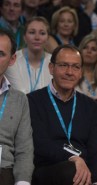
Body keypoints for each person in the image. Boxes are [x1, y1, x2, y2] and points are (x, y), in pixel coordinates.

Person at [28, 44, 97, 185]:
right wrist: (74, 158)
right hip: (47, 170)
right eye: (63, 65)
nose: (69, 72)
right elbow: (39, 145)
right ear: (51, 68)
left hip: (82, 171)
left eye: (75, 67)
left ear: (81, 72)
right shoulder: (32, 101)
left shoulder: (90, 105)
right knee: (71, 171)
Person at [0, 28, 34, 185]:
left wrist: (23, 182)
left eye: (1, 54)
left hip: (3, 170)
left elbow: (24, 150)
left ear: (12, 59)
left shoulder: (19, 100)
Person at [5, 17, 52, 94]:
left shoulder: (55, 61)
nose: (37, 37)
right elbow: (20, 94)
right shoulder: (12, 60)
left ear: (47, 38)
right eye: (32, 32)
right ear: (24, 37)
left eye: (42, 33)